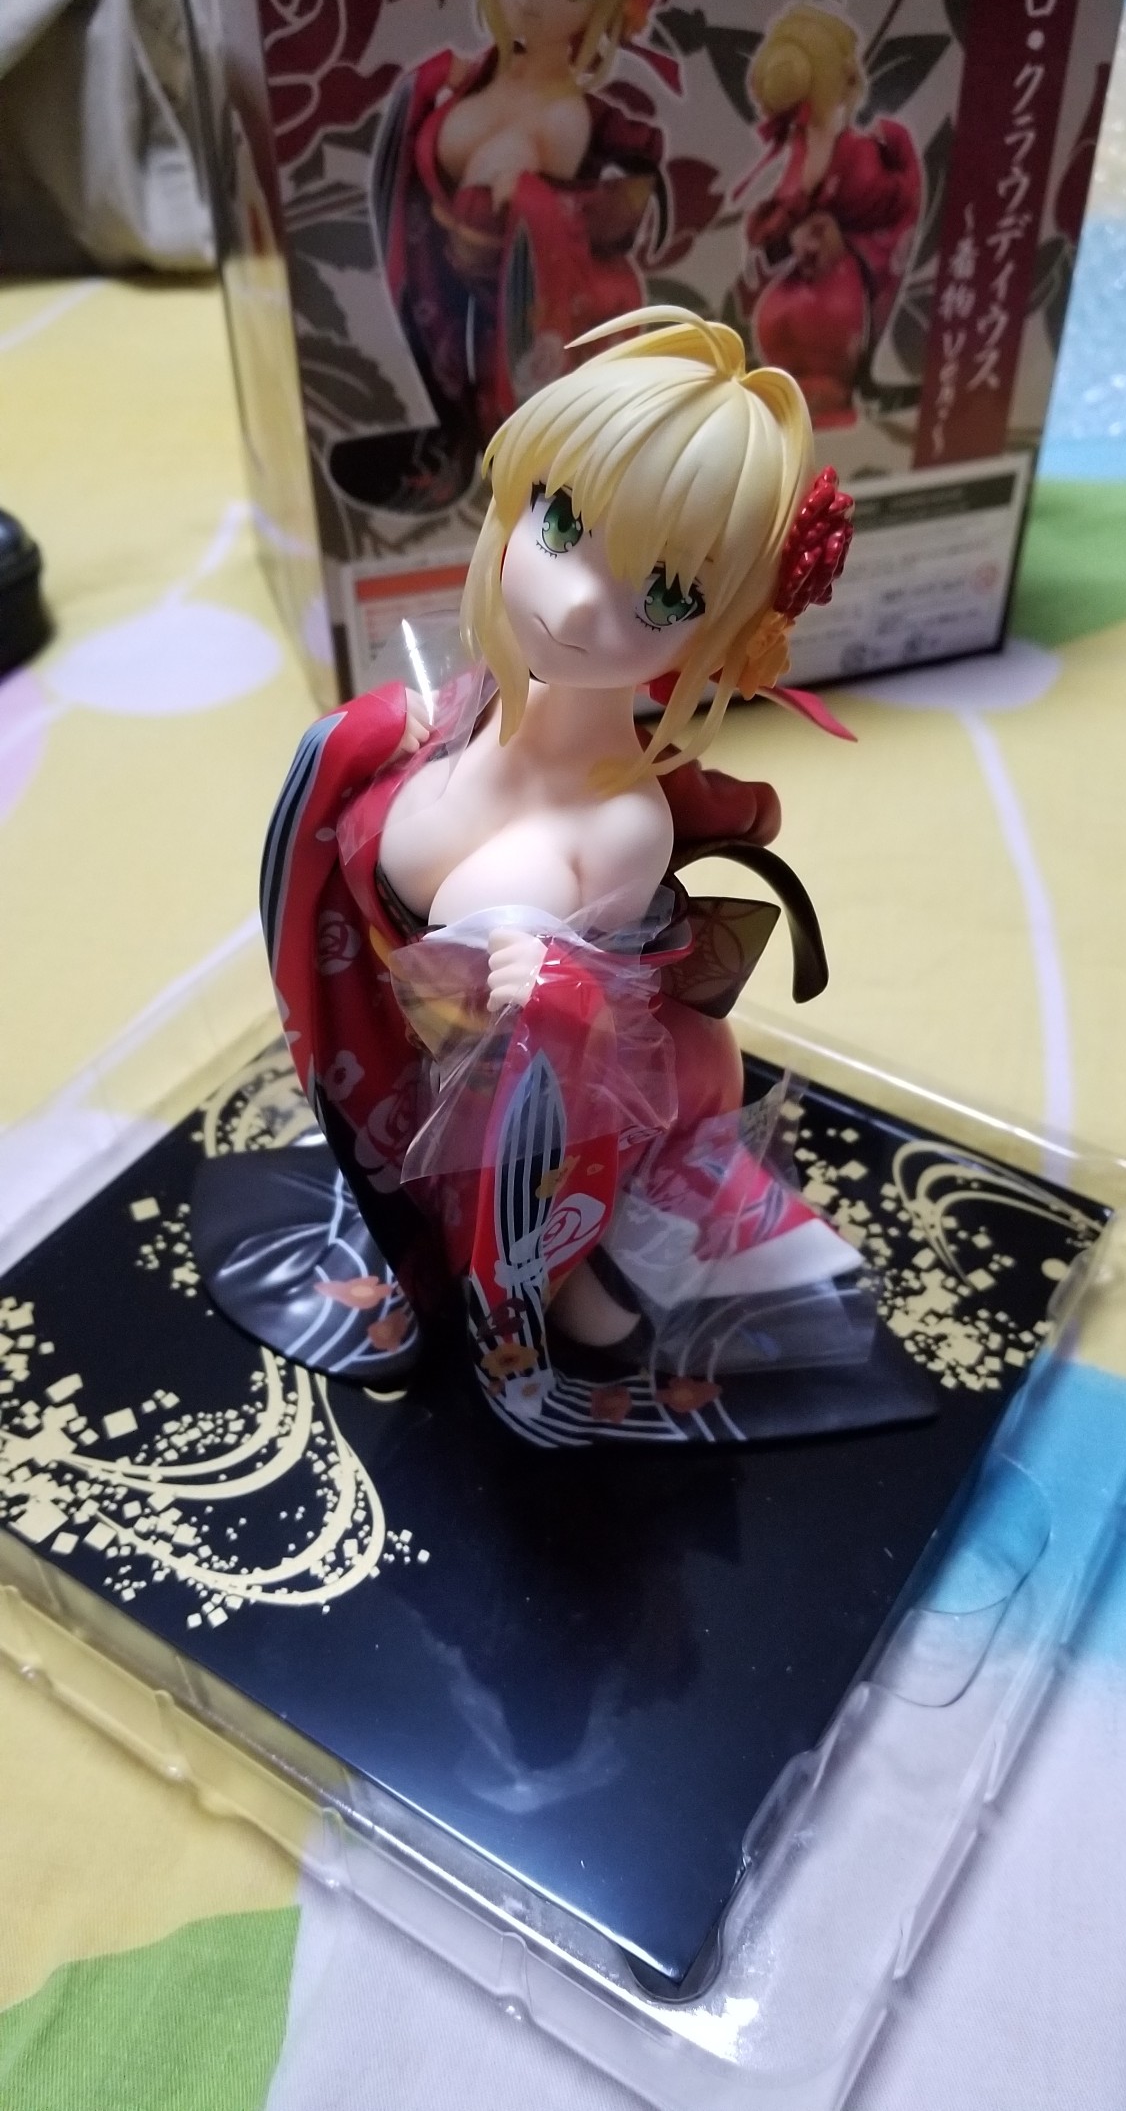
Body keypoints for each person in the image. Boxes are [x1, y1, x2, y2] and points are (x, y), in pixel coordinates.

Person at [231, 310, 872, 1446]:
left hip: (534, 1138)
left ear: (717, 636)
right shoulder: (452, 712)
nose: (577, 604)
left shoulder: (621, 825)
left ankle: (619, 1263)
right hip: (399, 1078)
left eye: (664, 595)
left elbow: (582, 1051)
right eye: (562, 521)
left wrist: (546, 987)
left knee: (574, 1293)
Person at [329, 0, 668, 515]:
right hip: (437, 288)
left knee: (518, 431)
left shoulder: (577, 119)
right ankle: (449, 448)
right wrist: (429, 82)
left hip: (519, 303)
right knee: (441, 388)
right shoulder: (470, 79)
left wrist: (535, 196)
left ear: (604, 10)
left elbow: (604, 219)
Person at [738, 6, 921, 428]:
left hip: (836, 309)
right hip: (791, 305)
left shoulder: (854, 155)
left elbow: (889, 200)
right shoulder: (803, 150)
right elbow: (771, 224)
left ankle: (828, 400)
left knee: (819, 373)